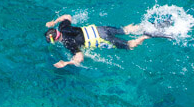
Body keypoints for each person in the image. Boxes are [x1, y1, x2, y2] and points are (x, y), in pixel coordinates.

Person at [44, 14, 172, 68]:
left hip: (102, 38)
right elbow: (67, 16)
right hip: (102, 29)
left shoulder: (67, 43)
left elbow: (80, 57)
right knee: (125, 30)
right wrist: (54, 21)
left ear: (55, 40)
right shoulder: (63, 26)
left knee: (129, 45)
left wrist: (67, 63)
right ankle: (152, 25)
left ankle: (146, 36)